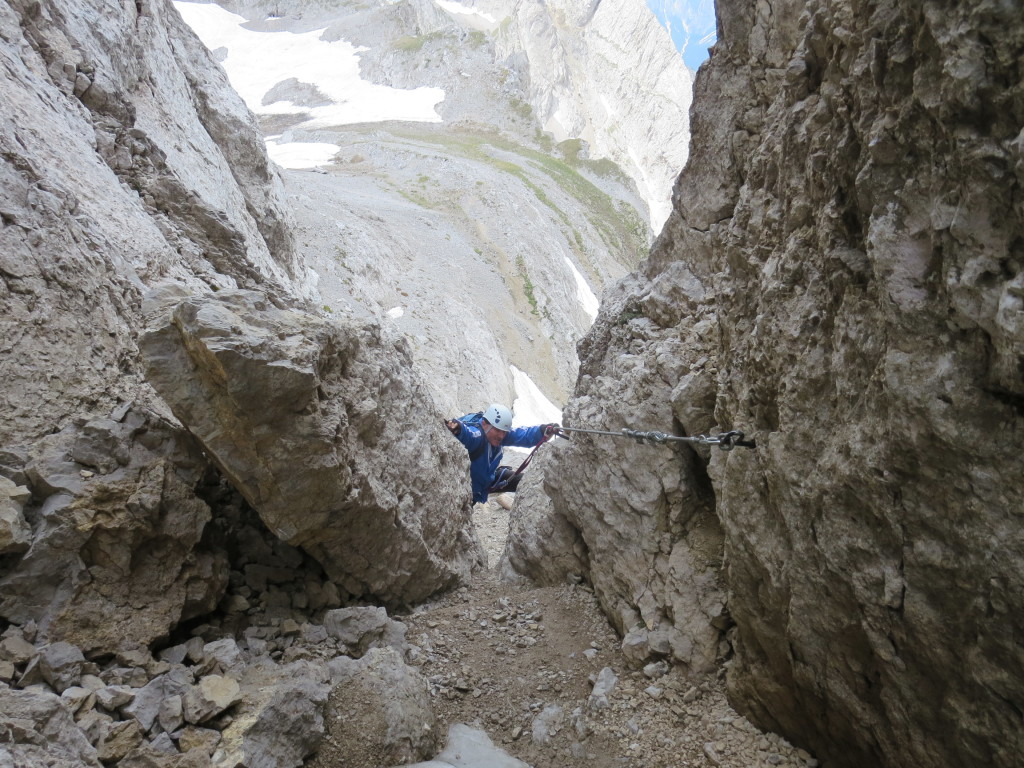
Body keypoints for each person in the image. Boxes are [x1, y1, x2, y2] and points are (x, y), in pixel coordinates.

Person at [444, 403, 560, 505]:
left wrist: (542, 430)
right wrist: (458, 428)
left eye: (504, 432)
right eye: (498, 430)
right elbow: (469, 435)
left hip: (485, 481)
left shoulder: (499, 434)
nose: (501, 435)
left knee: (522, 480)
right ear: (484, 424)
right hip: (469, 490)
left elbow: (522, 435)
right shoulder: (478, 436)